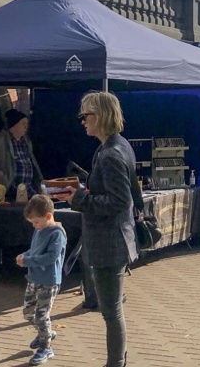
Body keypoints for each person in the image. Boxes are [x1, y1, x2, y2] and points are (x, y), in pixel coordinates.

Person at [71, 92, 136, 367]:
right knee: (112, 310)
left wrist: (80, 199)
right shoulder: (116, 146)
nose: (83, 121)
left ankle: (116, 363)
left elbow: (120, 201)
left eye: (86, 115)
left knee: (111, 311)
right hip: (113, 239)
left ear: (101, 116)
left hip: (110, 242)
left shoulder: (110, 153)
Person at [16, 195, 67, 365]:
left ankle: (46, 348)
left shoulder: (57, 234)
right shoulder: (39, 230)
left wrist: (29, 260)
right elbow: (34, 250)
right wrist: (25, 256)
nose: (34, 225)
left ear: (48, 216)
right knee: (28, 312)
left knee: (41, 315)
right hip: (34, 277)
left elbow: (51, 257)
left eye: (36, 222)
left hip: (49, 280)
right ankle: (46, 333)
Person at [0, 109, 45, 200]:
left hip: (28, 190)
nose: (26, 126)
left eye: (27, 123)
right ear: (14, 125)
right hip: (8, 190)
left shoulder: (26, 142)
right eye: (23, 123)